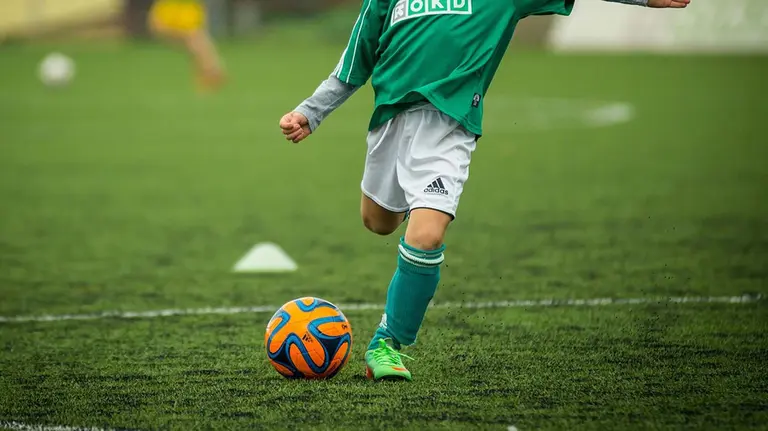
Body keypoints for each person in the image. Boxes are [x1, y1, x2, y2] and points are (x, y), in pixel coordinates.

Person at [279, 0, 692, 381]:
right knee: (377, 222)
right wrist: (309, 113)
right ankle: (419, 209)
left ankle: (388, 342)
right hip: (390, 122)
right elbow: (354, 63)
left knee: (426, 235)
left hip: (449, 128)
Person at [148, 0, 225, 92]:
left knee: (194, 39)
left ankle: (210, 71)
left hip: (184, 8)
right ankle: (212, 69)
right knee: (195, 40)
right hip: (174, 7)